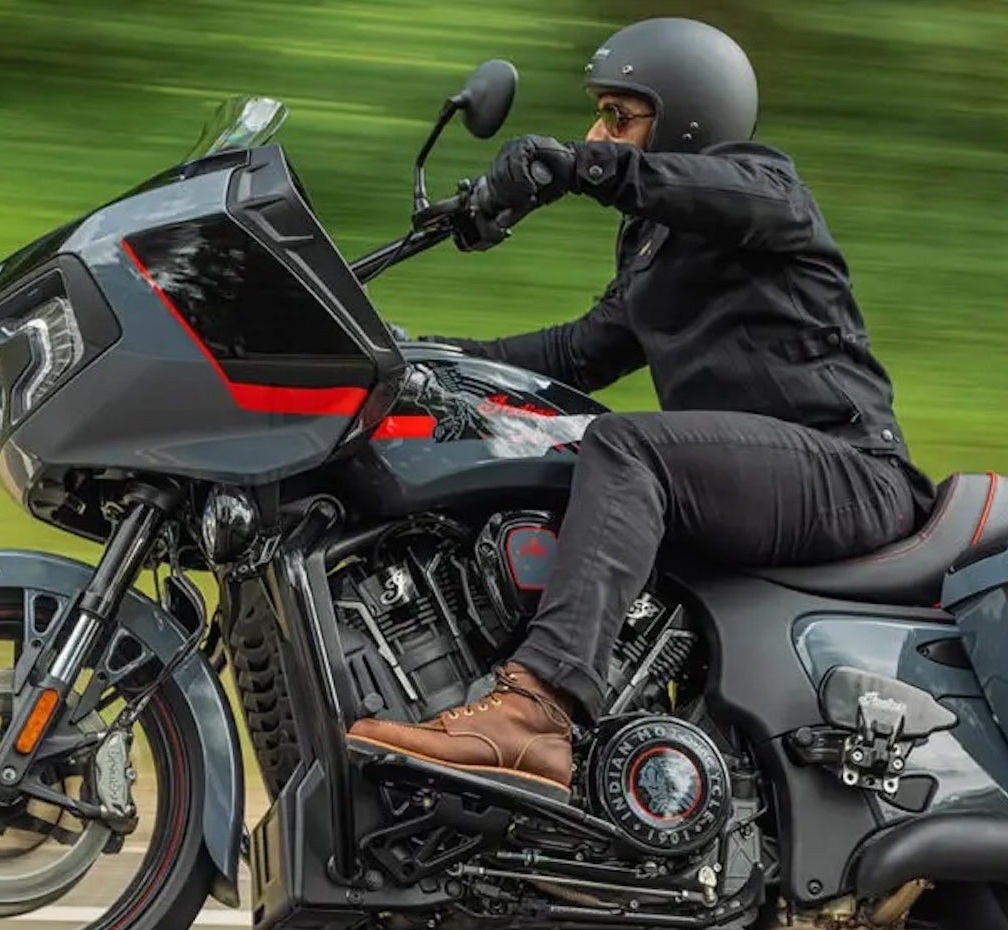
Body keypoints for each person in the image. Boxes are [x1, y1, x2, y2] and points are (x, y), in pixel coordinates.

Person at [346, 16, 938, 802]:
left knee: (625, 447)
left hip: (846, 471)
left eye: (620, 118)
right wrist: (415, 357)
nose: (599, 130)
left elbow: (702, 190)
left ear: (689, 120)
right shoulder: (657, 246)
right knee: (538, 445)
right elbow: (572, 355)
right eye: (599, 116)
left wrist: (572, 165)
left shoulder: (764, 189)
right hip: (756, 477)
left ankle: (538, 712)